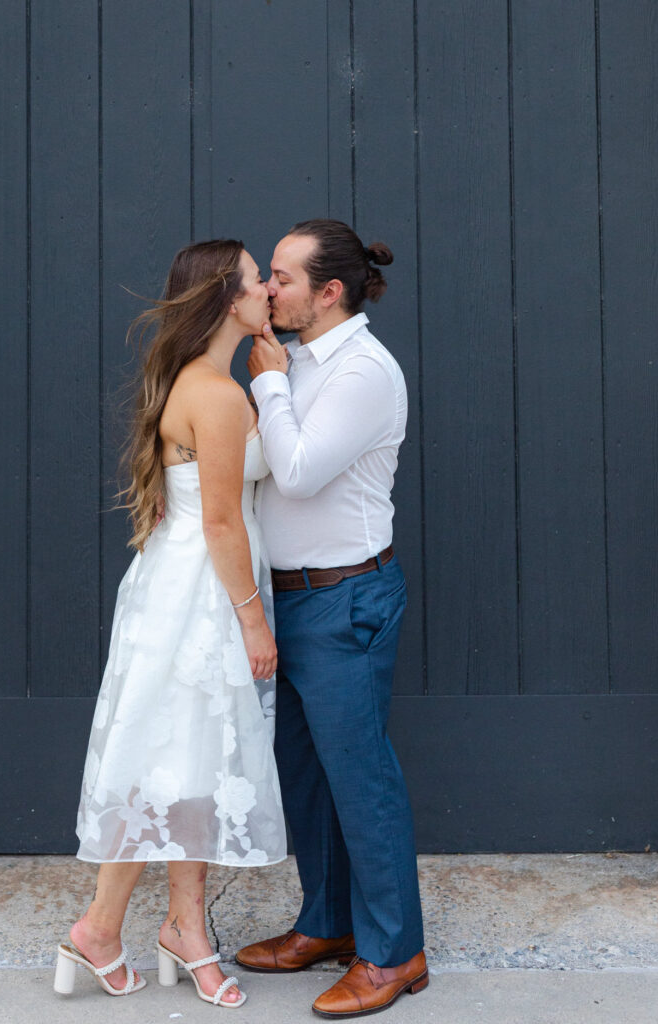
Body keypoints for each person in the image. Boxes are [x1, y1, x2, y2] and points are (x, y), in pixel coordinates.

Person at [54, 239, 286, 1009]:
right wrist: (253, 623)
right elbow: (221, 520)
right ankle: (102, 926)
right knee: (163, 756)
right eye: (256, 280)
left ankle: (179, 927)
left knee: (192, 761)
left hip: (183, 583)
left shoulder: (205, 381)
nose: (268, 290)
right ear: (226, 297)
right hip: (201, 593)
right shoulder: (215, 395)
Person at [235, 220, 427, 1018]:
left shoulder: (361, 371)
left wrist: (267, 386)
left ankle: (394, 952)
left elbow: (300, 472)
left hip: (345, 598)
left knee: (360, 778)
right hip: (287, 597)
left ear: (330, 291)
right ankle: (328, 925)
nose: (267, 289)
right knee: (306, 776)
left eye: (281, 277)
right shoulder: (297, 360)